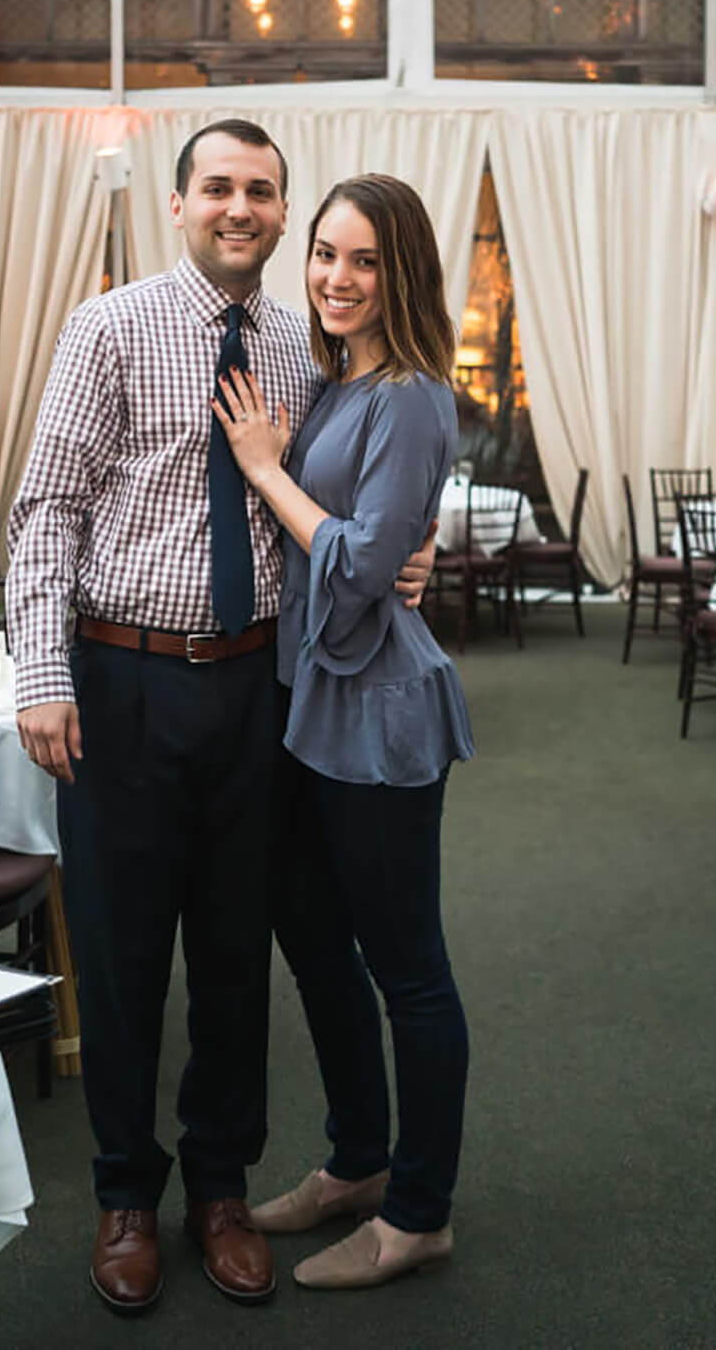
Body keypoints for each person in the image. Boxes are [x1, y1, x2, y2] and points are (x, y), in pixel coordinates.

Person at [6, 122, 434, 1317]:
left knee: (237, 951)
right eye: (219, 188)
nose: (239, 207)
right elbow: (46, 510)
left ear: (282, 208)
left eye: (261, 190)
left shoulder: (312, 343)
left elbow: (359, 482)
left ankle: (222, 1188)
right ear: (181, 201)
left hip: (263, 687)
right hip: (122, 682)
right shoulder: (111, 326)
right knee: (126, 947)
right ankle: (125, 1195)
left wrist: (415, 546)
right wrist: (41, 670)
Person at [211, 173, 473, 1291]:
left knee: (407, 966)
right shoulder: (332, 384)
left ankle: (419, 1210)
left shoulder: (410, 391)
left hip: (379, 710)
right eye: (324, 253)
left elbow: (364, 566)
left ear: (399, 270)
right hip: (315, 706)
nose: (336, 276)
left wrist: (267, 470)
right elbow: (377, 539)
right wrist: (402, 538)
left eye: (363, 259)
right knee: (314, 936)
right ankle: (358, 1158)